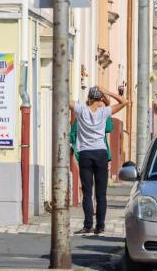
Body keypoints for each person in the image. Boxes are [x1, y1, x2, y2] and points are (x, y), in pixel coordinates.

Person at [69, 86, 128, 236]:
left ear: (89, 98)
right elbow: (124, 101)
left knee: (87, 192)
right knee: (101, 194)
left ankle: (88, 225)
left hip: (85, 154)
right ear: (100, 99)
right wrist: (107, 93)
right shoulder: (104, 112)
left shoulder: (81, 110)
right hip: (101, 153)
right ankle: (100, 226)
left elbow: (63, 100)